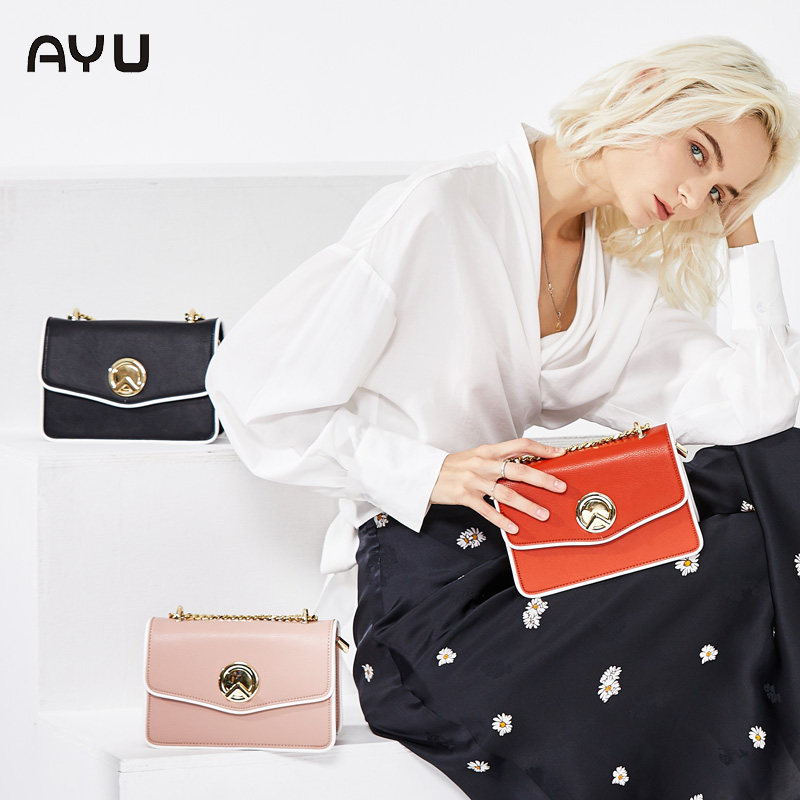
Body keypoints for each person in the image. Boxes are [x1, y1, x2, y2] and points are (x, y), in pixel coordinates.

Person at [205, 36, 800, 798]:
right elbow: (250, 387)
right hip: (430, 589)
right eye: (696, 153)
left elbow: (758, 412)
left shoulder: (619, 276)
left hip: (531, 555)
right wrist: (430, 472)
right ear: (648, 90)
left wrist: (744, 236)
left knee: (768, 484)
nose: (693, 199)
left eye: (720, 192)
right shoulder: (444, 209)